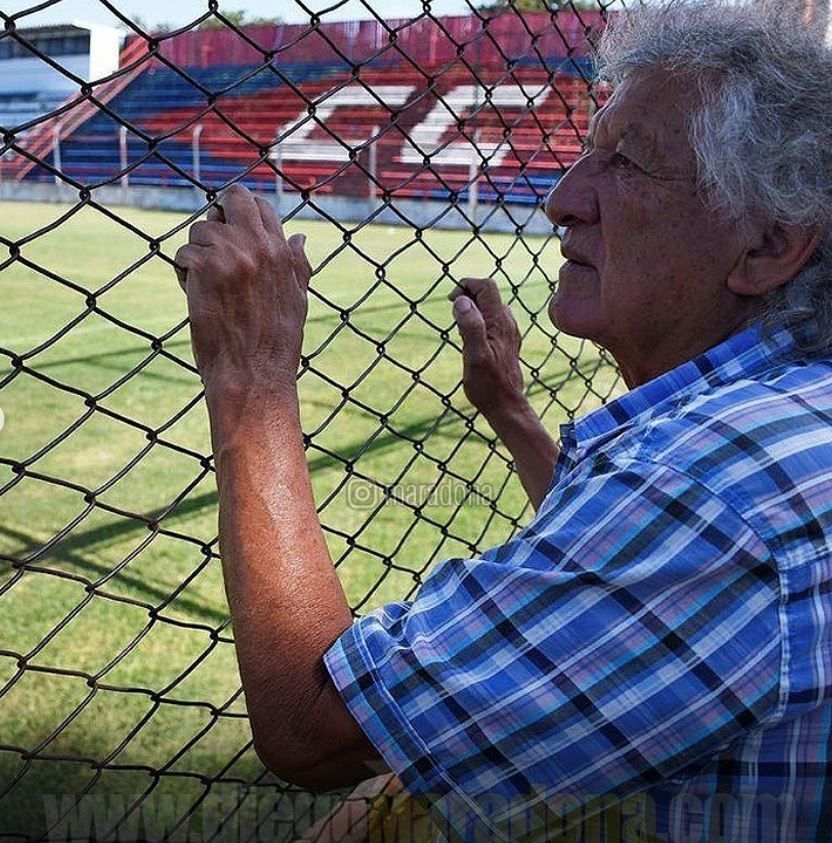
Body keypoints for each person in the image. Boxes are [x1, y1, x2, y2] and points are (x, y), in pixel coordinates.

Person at [174, 2, 832, 840]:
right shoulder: (785, 415)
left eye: (626, 161)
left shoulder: (711, 488)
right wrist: (513, 412)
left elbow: (318, 727)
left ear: (770, 245)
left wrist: (253, 376)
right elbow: (626, 579)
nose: (561, 200)